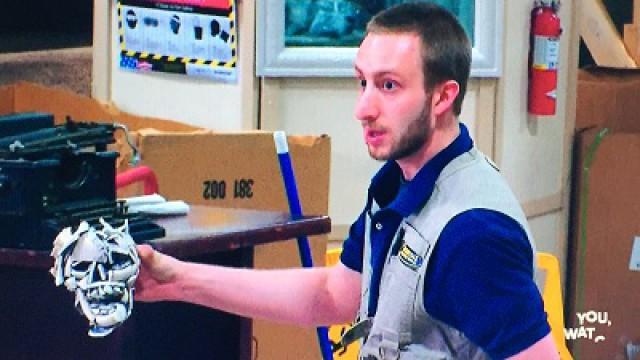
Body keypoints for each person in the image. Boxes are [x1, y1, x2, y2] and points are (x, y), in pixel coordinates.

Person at [135, 3, 559, 359]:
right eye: (363, 82)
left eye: (389, 85)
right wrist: (177, 279)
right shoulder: (400, 183)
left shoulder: (473, 234)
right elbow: (333, 294)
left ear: (443, 96)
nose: (363, 108)